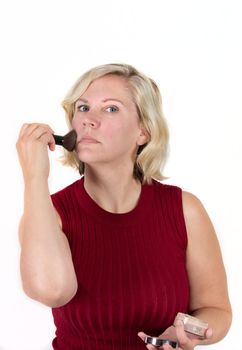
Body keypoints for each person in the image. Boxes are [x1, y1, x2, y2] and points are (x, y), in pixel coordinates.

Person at [16, 63, 232, 350]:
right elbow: (52, 291)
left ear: (143, 131)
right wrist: (34, 177)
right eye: (82, 108)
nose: (88, 121)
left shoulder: (185, 210)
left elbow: (216, 310)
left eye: (111, 109)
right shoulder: (50, 212)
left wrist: (185, 334)